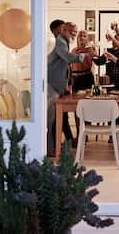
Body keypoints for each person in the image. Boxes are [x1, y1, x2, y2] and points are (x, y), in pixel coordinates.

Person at [47, 22, 92, 155]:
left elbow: (65, 65)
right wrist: (83, 56)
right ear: (63, 30)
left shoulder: (63, 41)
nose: (74, 34)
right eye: (72, 31)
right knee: (50, 119)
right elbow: (67, 57)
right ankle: (50, 149)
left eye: (76, 31)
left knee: (54, 118)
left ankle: (53, 147)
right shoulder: (60, 41)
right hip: (51, 84)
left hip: (56, 85)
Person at [93, 34, 119, 143]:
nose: (115, 43)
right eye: (114, 41)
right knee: (114, 112)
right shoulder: (108, 51)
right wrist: (93, 54)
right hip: (112, 86)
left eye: (118, 41)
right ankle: (112, 136)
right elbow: (98, 62)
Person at [49, 19, 73, 147]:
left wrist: (68, 84)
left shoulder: (63, 42)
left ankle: (68, 140)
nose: (66, 31)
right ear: (56, 31)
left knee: (62, 115)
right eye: (63, 29)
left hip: (61, 85)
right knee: (55, 117)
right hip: (53, 86)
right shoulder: (55, 44)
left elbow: (67, 67)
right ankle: (55, 145)